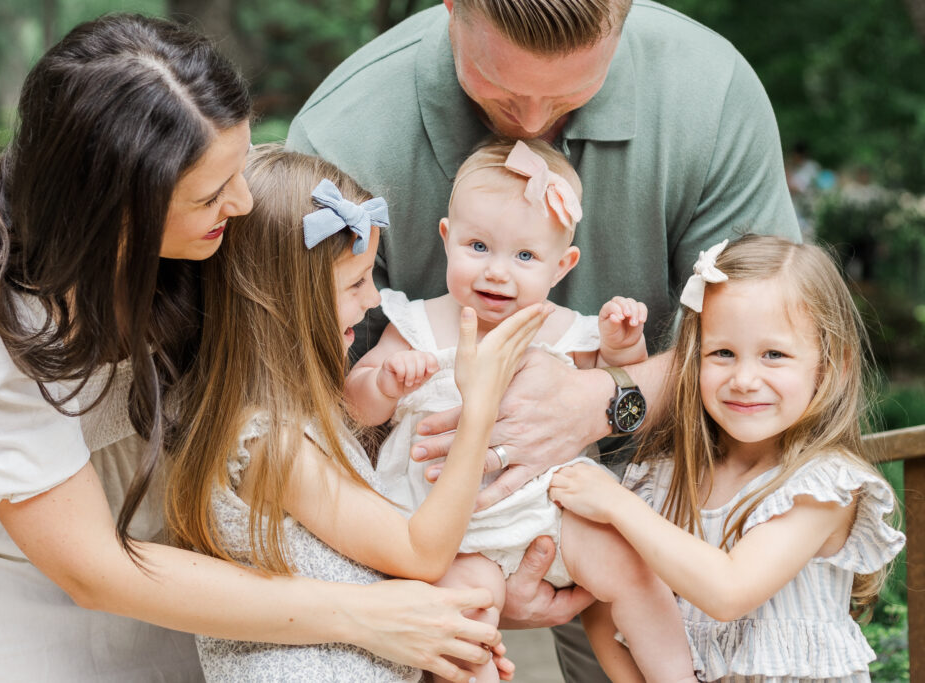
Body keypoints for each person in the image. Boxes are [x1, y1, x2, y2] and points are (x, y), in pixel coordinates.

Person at [0, 15, 502, 682]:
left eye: (240, 167)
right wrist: (366, 613)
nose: (241, 202)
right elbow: (91, 568)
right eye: (213, 194)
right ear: (118, 211)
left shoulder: (207, 222)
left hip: (174, 555)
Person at [286, 1, 801, 676]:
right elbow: (296, 414)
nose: (530, 124)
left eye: (567, 92)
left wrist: (605, 395)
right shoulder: (338, 139)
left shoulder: (712, 93)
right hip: (425, 534)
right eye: (500, 87)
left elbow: (781, 344)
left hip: (643, 506)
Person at [164, 143, 545, 681]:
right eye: (356, 283)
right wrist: (478, 411)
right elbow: (420, 552)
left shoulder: (294, 414)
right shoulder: (270, 444)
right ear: (286, 299)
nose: (372, 301)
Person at [345, 138, 697, 683]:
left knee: (632, 569)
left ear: (562, 266)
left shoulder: (566, 330)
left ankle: (677, 677)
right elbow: (357, 407)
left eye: (525, 256)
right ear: (446, 238)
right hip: (447, 529)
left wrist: (622, 347)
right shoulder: (417, 324)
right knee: (460, 632)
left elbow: (618, 391)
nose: (497, 272)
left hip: (554, 511)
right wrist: (386, 382)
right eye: (478, 246)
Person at [550, 235, 906, 681]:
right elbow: (604, 604)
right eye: (723, 353)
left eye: (774, 354)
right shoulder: (661, 479)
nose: (744, 379)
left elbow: (730, 591)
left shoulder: (822, 487)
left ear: (832, 365)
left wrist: (615, 505)